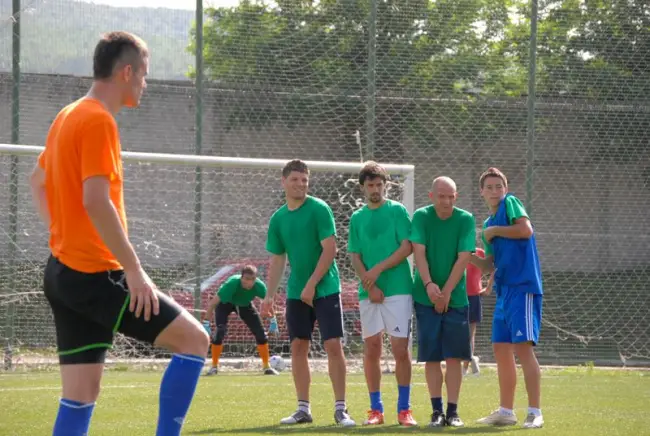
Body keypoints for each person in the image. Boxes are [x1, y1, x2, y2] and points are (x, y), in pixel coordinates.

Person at [28, 31, 209, 436]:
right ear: (126, 72)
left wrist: (60, 233)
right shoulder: (98, 120)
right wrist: (135, 271)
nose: (145, 83)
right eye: (144, 74)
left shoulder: (68, 114)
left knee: (80, 396)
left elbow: (36, 181)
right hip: (96, 277)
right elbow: (96, 200)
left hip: (61, 274)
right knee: (195, 340)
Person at [261, 159, 356, 427]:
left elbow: (330, 250)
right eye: (295, 180)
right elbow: (278, 259)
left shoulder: (319, 209)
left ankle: (341, 409)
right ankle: (303, 409)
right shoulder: (278, 218)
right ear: (284, 182)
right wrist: (269, 295)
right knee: (298, 346)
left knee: (333, 346)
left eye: (304, 180)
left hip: (325, 288)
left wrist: (313, 284)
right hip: (296, 292)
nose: (301, 184)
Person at [470, 167, 544, 429]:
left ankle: (535, 412)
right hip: (504, 292)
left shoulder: (510, 205)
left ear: (505, 188)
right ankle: (506, 411)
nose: (494, 191)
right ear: (481, 192)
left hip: (522, 288)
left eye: (498, 186)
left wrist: (495, 232)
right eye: (488, 187)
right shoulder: (488, 226)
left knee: (523, 349)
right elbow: (491, 263)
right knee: (501, 349)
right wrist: (470, 259)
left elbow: (525, 230)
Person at [347, 161, 416, 427]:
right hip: (369, 293)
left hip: (398, 289)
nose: (375, 189)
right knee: (372, 348)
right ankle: (375, 410)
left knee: (400, 350)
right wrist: (370, 284)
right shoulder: (357, 218)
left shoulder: (397, 210)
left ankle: (404, 410)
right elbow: (354, 255)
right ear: (363, 187)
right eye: (370, 185)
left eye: (379, 184)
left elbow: (406, 247)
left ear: (385, 185)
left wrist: (377, 270)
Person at [409, 176, 476, 428]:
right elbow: (419, 254)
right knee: (432, 356)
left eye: (451, 196)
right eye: (441, 196)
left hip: (456, 299)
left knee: (455, 357)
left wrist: (446, 292)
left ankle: (453, 412)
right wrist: (429, 286)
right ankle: (436, 412)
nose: (446, 201)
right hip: (425, 297)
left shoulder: (465, 219)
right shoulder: (421, 217)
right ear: (431, 196)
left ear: (456, 197)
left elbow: (463, 259)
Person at [200, 265, 278, 376]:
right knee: (220, 331)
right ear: (241, 278)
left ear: (255, 279)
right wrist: (206, 322)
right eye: (246, 279)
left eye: (252, 279)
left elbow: (268, 303)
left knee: (261, 334)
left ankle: (266, 367)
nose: (249, 282)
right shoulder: (231, 284)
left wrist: (273, 320)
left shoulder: (259, 286)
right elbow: (213, 303)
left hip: (244, 305)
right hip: (225, 304)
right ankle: (214, 367)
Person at [463, 246, 486, 376]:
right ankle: (471, 358)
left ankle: (466, 366)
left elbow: (492, 266)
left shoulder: (480, 253)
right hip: (459, 295)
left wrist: (487, 287)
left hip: (474, 296)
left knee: (470, 334)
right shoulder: (459, 250)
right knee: (460, 332)